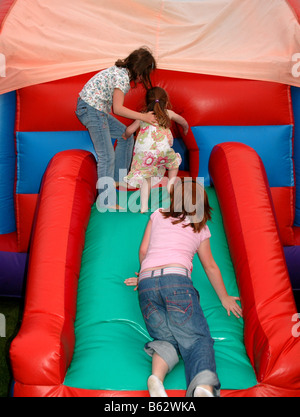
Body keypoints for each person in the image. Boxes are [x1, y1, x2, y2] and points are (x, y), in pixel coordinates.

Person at [125, 178, 243, 398]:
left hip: (147, 285)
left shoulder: (158, 214)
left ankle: (156, 380)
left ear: (173, 199)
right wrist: (224, 296)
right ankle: (203, 388)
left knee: (166, 339)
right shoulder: (200, 227)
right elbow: (210, 266)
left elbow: (143, 251)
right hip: (177, 282)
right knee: (197, 339)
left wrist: (143, 276)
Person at [75, 47, 157, 208]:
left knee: (125, 135)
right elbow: (118, 109)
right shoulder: (121, 77)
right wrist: (143, 117)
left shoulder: (120, 72)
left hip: (96, 110)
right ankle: (106, 200)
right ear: (139, 70)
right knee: (107, 155)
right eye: (144, 75)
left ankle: (118, 178)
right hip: (91, 110)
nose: (141, 79)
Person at [123, 87, 189, 213]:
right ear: (166, 101)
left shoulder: (142, 116)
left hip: (145, 156)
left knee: (146, 179)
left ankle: (143, 207)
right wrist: (185, 129)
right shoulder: (168, 113)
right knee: (174, 163)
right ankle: (170, 184)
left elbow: (129, 130)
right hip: (163, 152)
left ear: (147, 102)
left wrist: (125, 136)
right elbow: (183, 122)